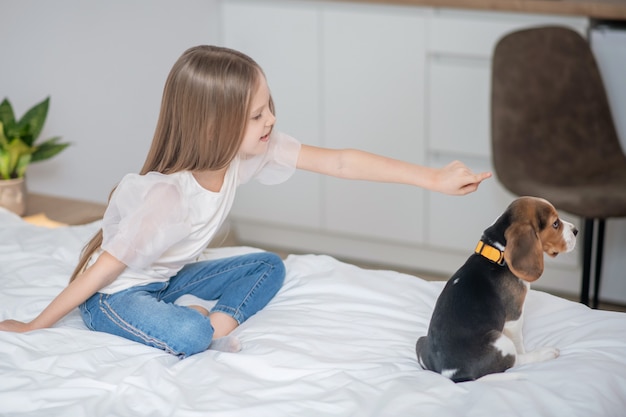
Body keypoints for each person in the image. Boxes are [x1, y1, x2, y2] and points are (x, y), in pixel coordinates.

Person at [0, 45, 491, 358]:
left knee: (267, 267)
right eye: (257, 115)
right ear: (215, 126)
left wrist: (432, 178)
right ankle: (198, 327)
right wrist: (32, 325)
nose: (271, 120)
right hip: (114, 298)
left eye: (268, 106)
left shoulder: (244, 155)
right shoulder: (168, 199)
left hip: (164, 281)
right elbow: (102, 271)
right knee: (192, 339)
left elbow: (340, 162)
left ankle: (208, 320)